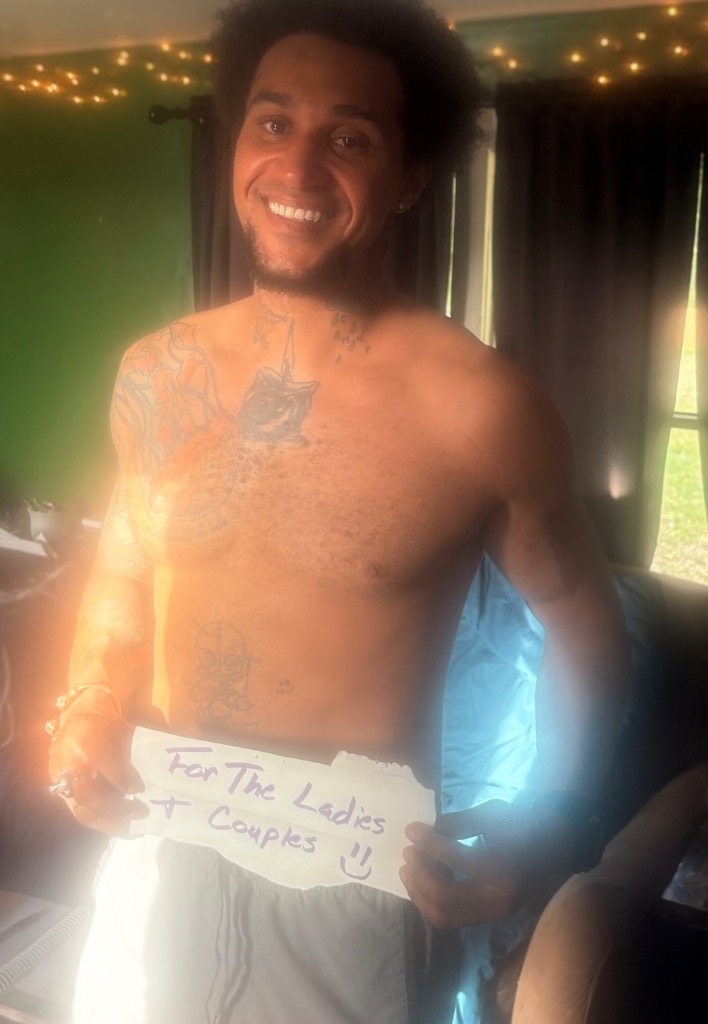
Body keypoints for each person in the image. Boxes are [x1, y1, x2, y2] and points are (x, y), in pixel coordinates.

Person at [47, 1, 629, 1022]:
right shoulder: (158, 371)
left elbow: (586, 629)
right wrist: (91, 699)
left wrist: (553, 821)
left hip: (354, 885)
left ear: (409, 178)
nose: (298, 166)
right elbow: (129, 563)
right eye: (273, 123)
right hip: (161, 829)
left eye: (348, 139)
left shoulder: (478, 407)